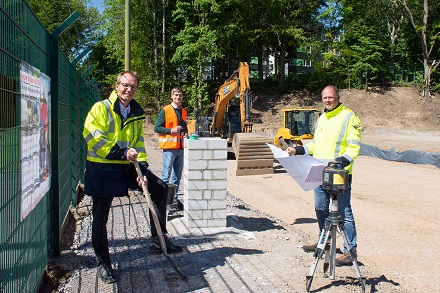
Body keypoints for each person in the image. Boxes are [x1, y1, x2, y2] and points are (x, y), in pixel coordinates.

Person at [83, 71, 183, 284]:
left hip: (127, 166)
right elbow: (92, 136)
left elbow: (138, 145)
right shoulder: (100, 108)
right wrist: (121, 152)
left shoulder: (136, 113)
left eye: (133, 87)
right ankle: (103, 262)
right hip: (102, 167)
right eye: (125, 85)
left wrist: (143, 170)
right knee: (100, 215)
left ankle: (158, 238)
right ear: (117, 85)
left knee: (159, 188)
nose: (129, 89)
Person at [286, 85, 362, 266]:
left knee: (344, 212)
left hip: (339, 173)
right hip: (319, 171)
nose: (328, 100)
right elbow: (315, 145)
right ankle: (325, 241)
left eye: (331, 97)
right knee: (320, 209)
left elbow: (354, 146)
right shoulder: (322, 118)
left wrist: (342, 160)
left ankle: (349, 251)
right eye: (324, 98)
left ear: (338, 96)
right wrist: (298, 149)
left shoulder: (349, 117)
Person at [154, 87, 187, 211]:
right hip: (169, 148)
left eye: (180, 95)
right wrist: (171, 131)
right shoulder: (165, 110)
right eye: (176, 95)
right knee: (165, 176)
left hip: (180, 148)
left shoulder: (183, 112)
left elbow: (183, 128)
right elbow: (157, 128)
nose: (178, 97)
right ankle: (162, 201)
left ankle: (173, 201)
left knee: (177, 177)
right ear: (172, 96)